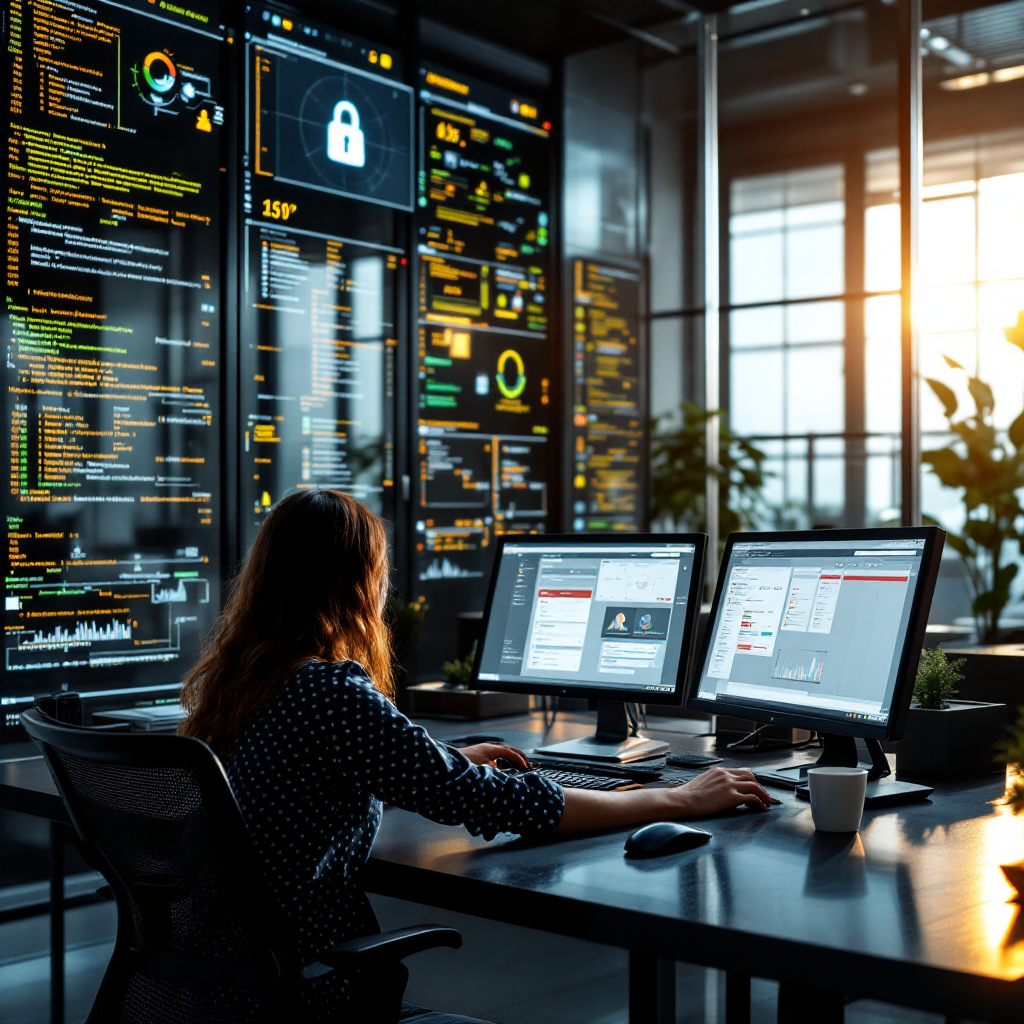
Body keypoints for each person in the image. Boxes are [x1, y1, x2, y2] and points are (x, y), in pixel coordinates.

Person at [180, 490, 770, 1022]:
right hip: (307, 997)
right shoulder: (329, 692)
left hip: (214, 991)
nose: (387, 590)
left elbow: (299, 776)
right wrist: (678, 798)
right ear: (356, 585)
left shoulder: (243, 684)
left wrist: (445, 757)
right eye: (381, 574)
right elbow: (502, 803)